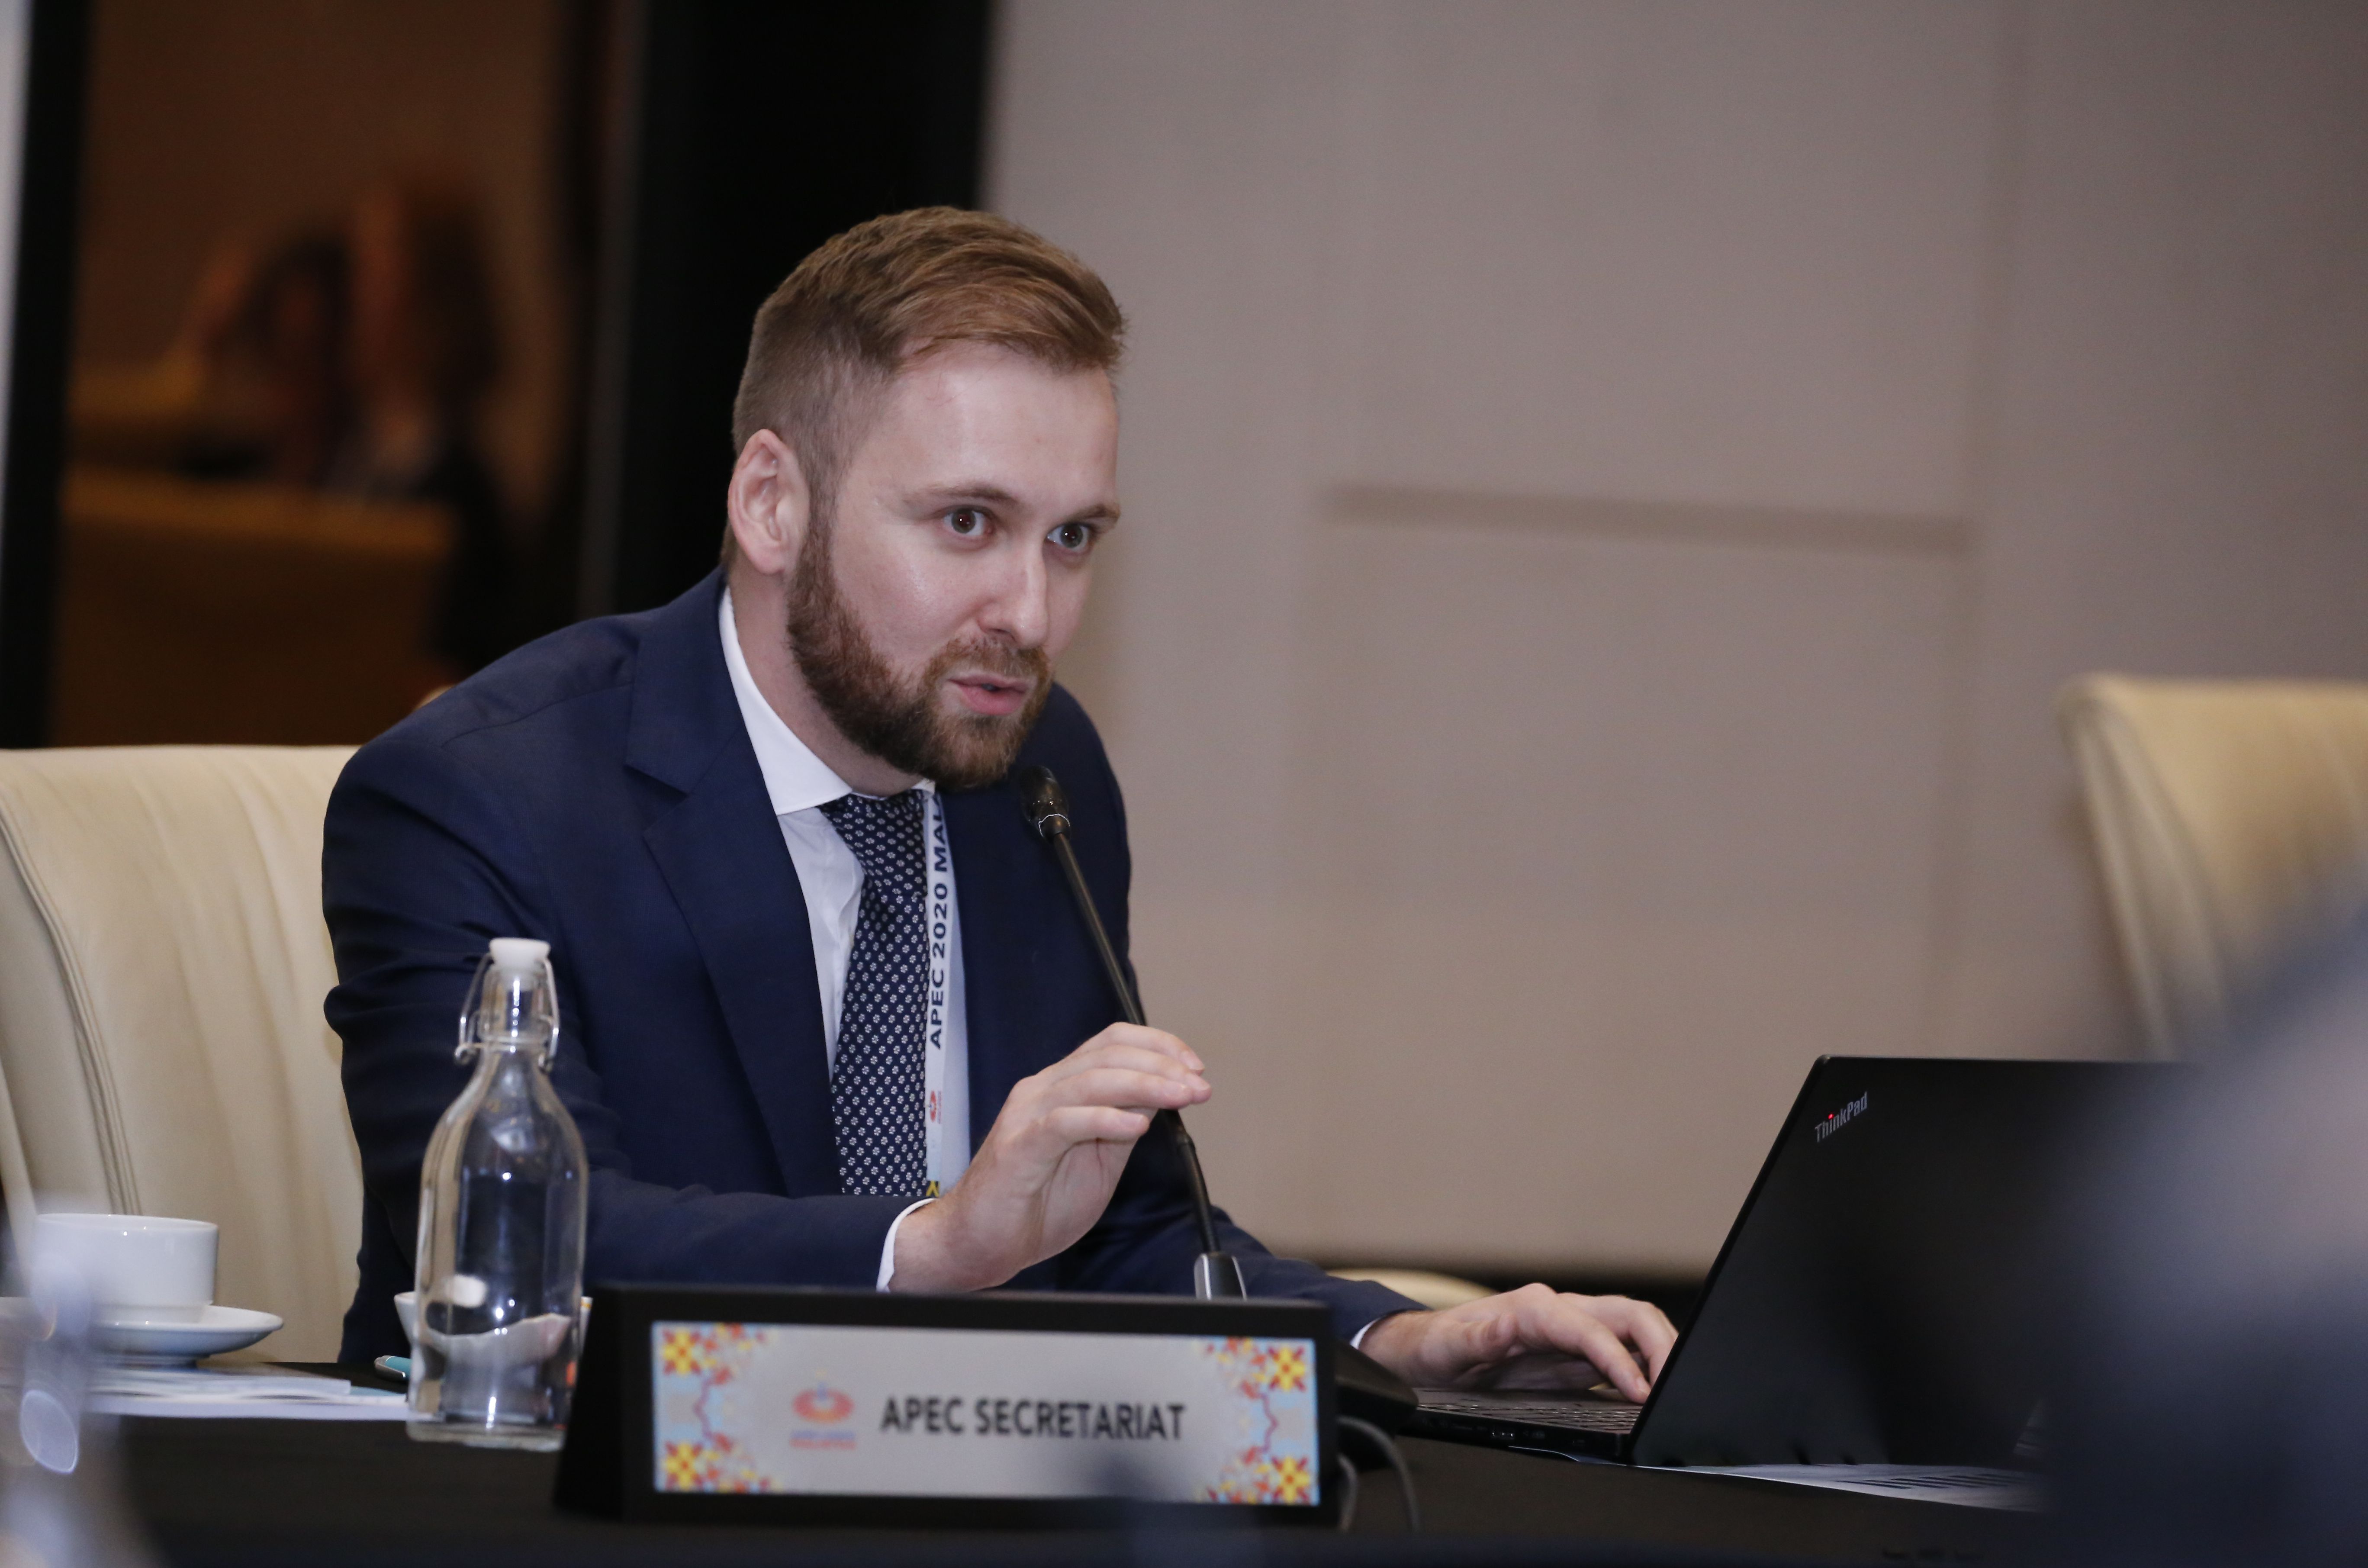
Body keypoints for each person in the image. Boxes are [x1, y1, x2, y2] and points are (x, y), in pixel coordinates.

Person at [325, 208, 1675, 1392]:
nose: (1029, 615)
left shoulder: (1040, 771)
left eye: (1071, 537)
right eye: (968, 522)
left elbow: (1117, 1235)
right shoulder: (480, 796)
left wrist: (1393, 1339)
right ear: (772, 504)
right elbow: (523, 1236)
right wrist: (932, 1247)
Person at [329, 173, 516, 674]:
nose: (353, 296)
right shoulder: (354, 453)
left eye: (374, 269)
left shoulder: (459, 494)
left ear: (432, 295)